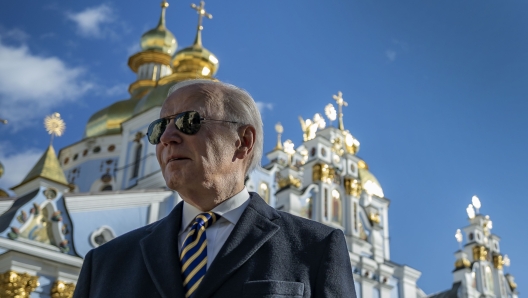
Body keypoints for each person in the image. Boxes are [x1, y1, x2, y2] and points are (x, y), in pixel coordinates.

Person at [73, 80, 356, 298]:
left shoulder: (315, 247)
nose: (168, 137)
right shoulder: (106, 263)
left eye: (189, 121)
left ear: (243, 141)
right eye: (159, 129)